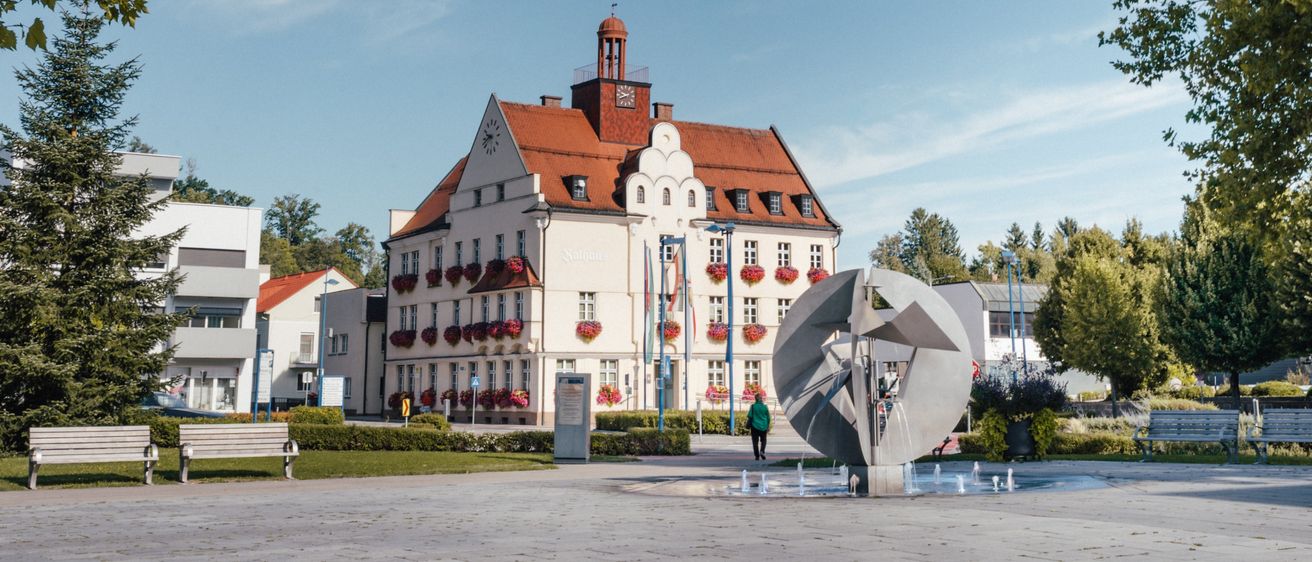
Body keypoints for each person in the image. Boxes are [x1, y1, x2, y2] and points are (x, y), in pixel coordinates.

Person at [747, 392, 771, 460]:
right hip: (763, 426)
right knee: (764, 440)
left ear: (755, 399)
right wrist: (768, 426)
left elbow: (750, 416)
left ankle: (757, 456)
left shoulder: (753, 406)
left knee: (755, 442)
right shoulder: (765, 407)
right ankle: (762, 451)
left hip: (754, 426)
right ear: (761, 399)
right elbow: (768, 418)